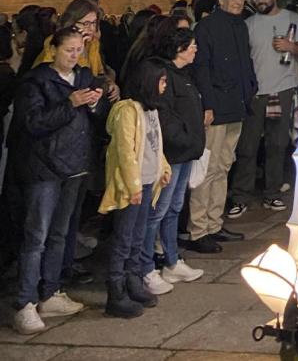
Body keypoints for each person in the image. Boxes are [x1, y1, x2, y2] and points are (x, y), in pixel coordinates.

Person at [11, 27, 106, 335]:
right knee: (36, 235)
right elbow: (33, 123)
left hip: (75, 166)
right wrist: (71, 104)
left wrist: (94, 102)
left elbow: (96, 116)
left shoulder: (83, 76)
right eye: (69, 50)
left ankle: (50, 291)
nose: (74, 56)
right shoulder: (37, 81)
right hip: (44, 168)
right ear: (54, 49)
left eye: (79, 50)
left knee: (60, 234)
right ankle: (25, 301)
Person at [186, 0, 256, 252]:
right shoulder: (207, 28)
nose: (239, 1)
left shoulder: (240, 26)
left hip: (236, 105)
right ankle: (199, 229)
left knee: (224, 166)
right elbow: (201, 68)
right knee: (208, 169)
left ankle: (214, 222)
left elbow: (244, 63)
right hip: (217, 108)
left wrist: (251, 89)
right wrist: (209, 106)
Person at [230, 0, 298, 215]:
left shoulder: (293, 19)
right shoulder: (248, 24)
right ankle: (240, 196)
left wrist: (289, 46)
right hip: (255, 92)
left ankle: (272, 193)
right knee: (248, 146)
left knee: (277, 144)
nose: (260, 0)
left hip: (283, 90)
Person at [99, 59, 171, 318]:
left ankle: (133, 281)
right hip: (134, 186)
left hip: (148, 182)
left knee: (138, 238)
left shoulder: (151, 110)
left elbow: (155, 146)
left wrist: (163, 169)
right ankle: (115, 291)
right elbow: (125, 151)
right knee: (124, 238)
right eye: (161, 81)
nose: (164, 86)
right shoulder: (128, 111)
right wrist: (134, 185)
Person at [139, 26, 206, 293]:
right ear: (179, 49)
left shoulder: (184, 74)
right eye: (191, 45)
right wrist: (186, 139)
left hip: (186, 152)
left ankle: (172, 259)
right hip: (174, 154)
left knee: (175, 208)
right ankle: (146, 267)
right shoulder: (165, 76)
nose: (195, 49)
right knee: (157, 211)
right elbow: (165, 116)